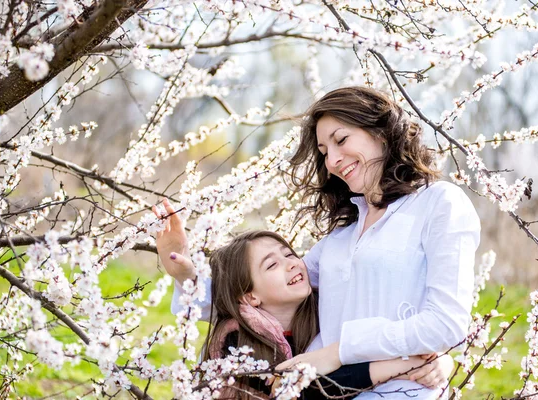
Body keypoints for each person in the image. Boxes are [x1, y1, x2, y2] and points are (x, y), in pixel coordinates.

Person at [160, 86, 481, 399]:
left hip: (403, 391)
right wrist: (185, 273)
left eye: (341, 140)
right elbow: (254, 293)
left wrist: (340, 352)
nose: (333, 160)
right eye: (324, 152)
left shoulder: (439, 203)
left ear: (380, 133)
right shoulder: (338, 240)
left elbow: (446, 325)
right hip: (325, 391)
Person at [153, 222, 454, 398]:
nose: (291, 264)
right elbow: (302, 391)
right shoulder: (235, 341)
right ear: (250, 296)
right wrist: (398, 367)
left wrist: (436, 360)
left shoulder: (328, 308)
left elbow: (382, 331)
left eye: (289, 254)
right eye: (271, 264)